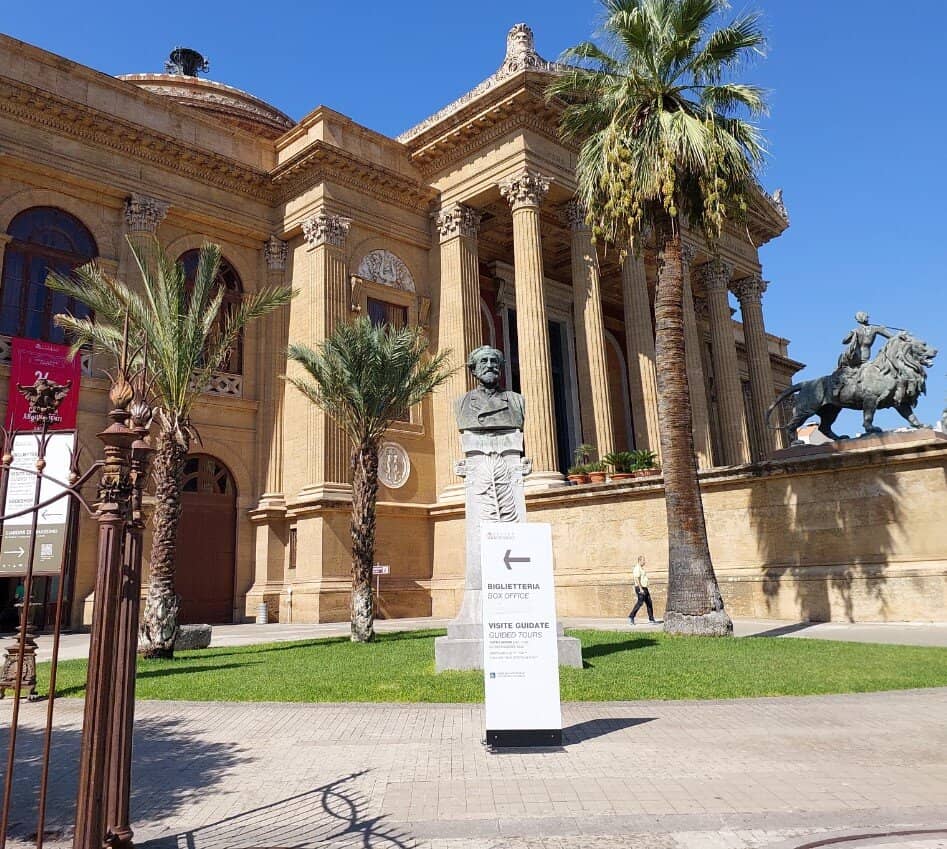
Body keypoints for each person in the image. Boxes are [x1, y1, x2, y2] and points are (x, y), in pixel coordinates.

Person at [629, 555, 657, 624]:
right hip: (640, 588)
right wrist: (641, 589)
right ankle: (631, 616)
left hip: (644, 588)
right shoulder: (637, 568)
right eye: (643, 560)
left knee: (649, 603)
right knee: (640, 603)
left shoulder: (641, 568)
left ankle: (651, 619)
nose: (644, 562)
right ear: (639, 561)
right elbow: (637, 579)